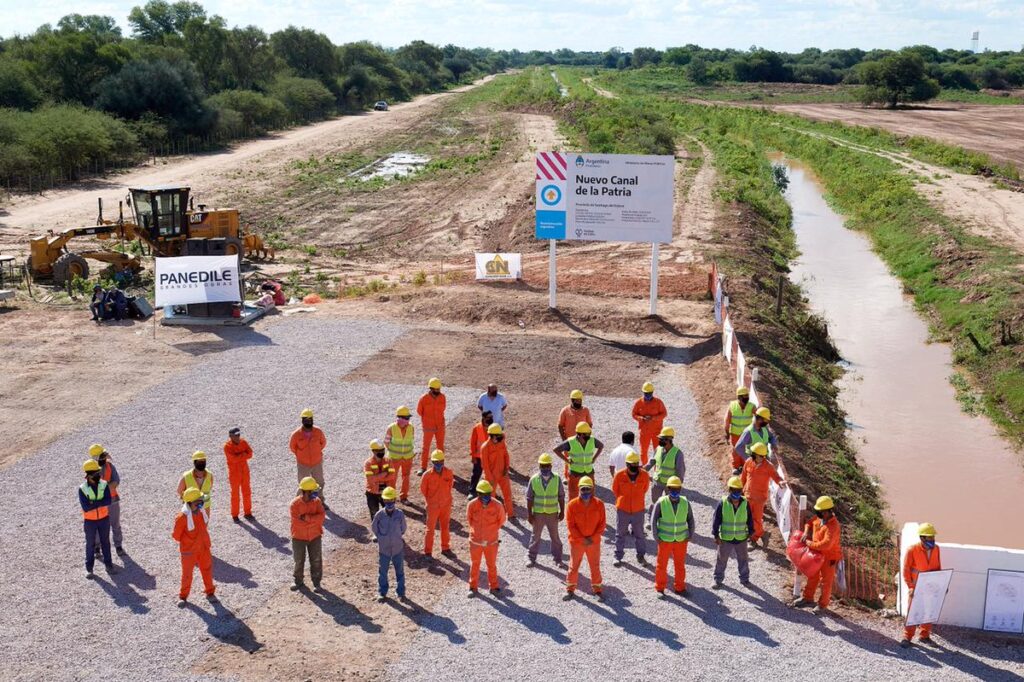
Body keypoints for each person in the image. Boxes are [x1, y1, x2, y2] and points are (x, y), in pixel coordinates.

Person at [792, 495, 842, 614]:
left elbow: (825, 545)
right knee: (812, 576)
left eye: (819, 511)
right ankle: (808, 598)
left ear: (827, 512)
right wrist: (805, 533)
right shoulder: (819, 519)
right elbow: (808, 523)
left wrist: (808, 543)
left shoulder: (833, 527)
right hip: (815, 554)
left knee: (826, 582)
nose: (817, 513)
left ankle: (822, 605)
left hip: (829, 557)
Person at [650, 476, 694, 597]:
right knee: (661, 565)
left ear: (680, 489)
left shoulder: (685, 502)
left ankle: (680, 587)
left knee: (680, 565)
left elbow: (690, 519)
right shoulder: (661, 502)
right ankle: (660, 588)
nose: (675, 491)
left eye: (677, 489)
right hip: (664, 540)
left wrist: (690, 535)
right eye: (672, 489)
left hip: (681, 540)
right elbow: (653, 520)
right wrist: (656, 537)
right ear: (668, 489)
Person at [172, 487, 216, 607]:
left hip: (203, 547)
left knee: (207, 569)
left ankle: (210, 592)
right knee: (187, 573)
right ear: (190, 503)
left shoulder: (201, 512)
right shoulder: (182, 518)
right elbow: (176, 536)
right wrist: (189, 542)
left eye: (202, 500)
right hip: (189, 551)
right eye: (200, 502)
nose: (202, 503)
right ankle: (183, 596)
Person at [564, 477, 606, 601]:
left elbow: (602, 524)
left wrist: (592, 537)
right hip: (577, 542)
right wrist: (582, 539)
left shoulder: (599, 504)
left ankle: (597, 589)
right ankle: (570, 589)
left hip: (593, 542)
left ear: (592, 489)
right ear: (579, 489)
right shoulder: (572, 505)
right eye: (583, 489)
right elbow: (570, 525)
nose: (586, 492)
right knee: (574, 566)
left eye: (588, 489)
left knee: (595, 565)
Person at [901, 522, 942, 648]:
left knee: (929, 611)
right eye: (929, 537)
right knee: (913, 612)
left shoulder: (936, 549)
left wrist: (941, 584)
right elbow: (906, 570)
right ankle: (907, 637)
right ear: (922, 537)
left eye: (933, 537)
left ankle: (924, 635)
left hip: (930, 586)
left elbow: (938, 567)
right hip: (916, 587)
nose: (932, 539)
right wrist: (911, 587)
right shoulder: (912, 550)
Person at [741, 442, 787, 548]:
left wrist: (780, 482)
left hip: (759, 499)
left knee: (756, 519)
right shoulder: (748, 462)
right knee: (747, 518)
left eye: (754, 453)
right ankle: (761, 534)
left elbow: (776, 477)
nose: (751, 454)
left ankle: (754, 538)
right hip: (747, 496)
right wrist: (739, 490)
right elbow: (743, 477)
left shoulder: (768, 466)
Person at [712, 476, 754, 589]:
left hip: (741, 538)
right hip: (726, 538)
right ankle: (718, 579)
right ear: (729, 490)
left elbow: (750, 518)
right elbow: (716, 520)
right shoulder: (723, 503)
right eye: (733, 490)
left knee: (743, 560)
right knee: (721, 559)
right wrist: (716, 535)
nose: (736, 493)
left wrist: (751, 532)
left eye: (738, 491)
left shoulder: (745, 503)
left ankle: (745, 580)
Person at [467, 480, 507, 596]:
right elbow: (469, 520)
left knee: (491, 564)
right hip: (476, 541)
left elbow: (502, 520)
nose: (486, 497)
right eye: (483, 494)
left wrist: (490, 532)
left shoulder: (497, 505)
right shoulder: (472, 505)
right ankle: (473, 587)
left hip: (491, 542)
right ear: (478, 494)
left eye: (488, 494)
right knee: (475, 564)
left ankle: (494, 587)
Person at [526, 453, 565, 568]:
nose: (545, 468)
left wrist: (562, 511)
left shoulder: (557, 479)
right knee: (535, 537)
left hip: (552, 513)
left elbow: (561, 496)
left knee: (555, 538)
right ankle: (531, 558)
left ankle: (558, 559)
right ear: (539, 466)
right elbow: (529, 498)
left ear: (551, 466)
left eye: (547, 466)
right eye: (543, 466)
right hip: (538, 514)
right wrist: (529, 514)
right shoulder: (534, 479)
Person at [80, 459, 117, 578]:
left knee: (105, 542)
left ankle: (109, 565)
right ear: (89, 475)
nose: (98, 474)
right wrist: (99, 502)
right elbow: (86, 507)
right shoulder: (82, 488)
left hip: (103, 519)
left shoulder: (104, 485)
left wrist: (93, 502)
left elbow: (108, 500)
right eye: (96, 473)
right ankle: (89, 569)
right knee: (90, 544)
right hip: (90, 521)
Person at [612, 451, 649, 567]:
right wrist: (624, 500)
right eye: (632, 464)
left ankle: (641, 556)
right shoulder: (619, 475)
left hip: (638, 510)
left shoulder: (644, 475)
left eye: (636, 464)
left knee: (639, 534)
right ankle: (617, 557)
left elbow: (645, 489)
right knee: (620, 534)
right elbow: (615, 490)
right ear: (627, 464)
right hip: (623, 509)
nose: (634, 467)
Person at [88, 443, 125, 556]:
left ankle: (118, 546)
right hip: (99, 504)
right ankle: (97, 548)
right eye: (102, 455)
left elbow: (116, 481)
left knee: (116, 524)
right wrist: (108, 486)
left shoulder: (110, 466)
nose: (105, 457)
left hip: (113, 501)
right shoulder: (91, 470)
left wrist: (103, 488)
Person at [372, 487, 408, 602]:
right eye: (387, 501)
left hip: (397, 548)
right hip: (384, 549)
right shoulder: (379, 515)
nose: (389, 503)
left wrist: (396, 537)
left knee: (400, 572)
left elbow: (403, 528)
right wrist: (382, 538)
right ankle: (382, 593)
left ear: (395, 500)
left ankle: (401, 593)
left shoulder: (400, 514)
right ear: (384, 501)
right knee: (382, 572)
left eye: (391, 500)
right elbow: (374, 528)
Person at [290, 476, 326, 591]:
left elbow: (322, 517)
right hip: (298, 538)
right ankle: (298, 581)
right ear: (306, 492)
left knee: (316, 560)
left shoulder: (317, 502)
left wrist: (306, 518)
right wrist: (313, 520)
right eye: (314, 491)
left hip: (315, 536)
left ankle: (316, 583)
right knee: (299, 561)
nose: (316, 493)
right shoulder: (294, 505)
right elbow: (297, 522)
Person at [554, 422, 604, 500]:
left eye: (589, 433)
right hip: (575, 473)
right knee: (573, 496)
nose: (589, 435)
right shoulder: (570, 442)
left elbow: (601, 446)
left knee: (590, 496)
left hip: (589, 472)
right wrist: (567, 460)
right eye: (587, 434)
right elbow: (556, 450)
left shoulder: (592, 440)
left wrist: (594, 458)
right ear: (580, 434)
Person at [289, 408, 329, 507]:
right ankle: (299, 504)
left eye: (310, 419)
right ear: (302, 420)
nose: (308, 421)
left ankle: (320, 502)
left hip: (317, 462)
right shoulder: (296, 435)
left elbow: (323, 443)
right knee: (303, 485)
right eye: (306, 420)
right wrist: (301, 456)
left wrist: (316, 453)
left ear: (312, 420)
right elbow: (292, 447)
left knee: (319, 483)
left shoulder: (318, 432)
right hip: (303, 464)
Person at [420, 450, 454, 557]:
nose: (438, 464)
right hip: (433, 506)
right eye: (436, 462)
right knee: (430, 529)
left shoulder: (449, 472)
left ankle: (445, 548)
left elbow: (450, 486)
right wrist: (431, 500)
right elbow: (423, 490)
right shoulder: (427, 475)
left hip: (446, 505)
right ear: (432, 462)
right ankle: (428, 552)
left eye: (440, 462)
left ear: (443, 461)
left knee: (445, 527)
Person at [479, 424, 514, 518]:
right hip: (491, 477)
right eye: (497, 435)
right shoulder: (485, 447)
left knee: (508, 495)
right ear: (492, 435)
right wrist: (491, 478)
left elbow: (506, 456)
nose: (500, 436)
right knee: (491, 498)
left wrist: (506, 469)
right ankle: (491, 515)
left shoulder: (502, 442)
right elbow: (485, 466)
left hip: (503, 474)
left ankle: (511, 514)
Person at [384, 405, 416, 503]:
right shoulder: (391, 428)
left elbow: (411, 440)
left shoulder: (411, 427)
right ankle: (391, 497)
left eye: (408, 418)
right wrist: (393, 452)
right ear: (400, 418)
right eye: (406, 418)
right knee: (392, 478)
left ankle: (404, 497)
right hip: (394, 458)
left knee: (406, 477)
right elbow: (386, 442)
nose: (408, 420)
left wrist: (410, 453)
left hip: (407, 457)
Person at [733, 407, 777, 475]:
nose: (767, 422)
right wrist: (749, 460)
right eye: (766, 420)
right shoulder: (748, 432)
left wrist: (774, 444)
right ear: (759, 419)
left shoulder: (764, 428)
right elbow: (738, 447)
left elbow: (771, 437)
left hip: (764, 460)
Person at [631, 382, 667, 465]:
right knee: (643, 452)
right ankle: (644, 469)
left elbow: (664, 414)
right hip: (644, 432)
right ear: (643, 392)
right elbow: (634, 414)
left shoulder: (658, 402)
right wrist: (642, 419)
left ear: (652, 392)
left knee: (658, 451)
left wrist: (653, 418)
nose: (648, 395)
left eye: (649, 393)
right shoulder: (638, 402)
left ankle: (657, 468)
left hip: (657, 432)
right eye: (646, 393)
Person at [647, 427, 685, 504]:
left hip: (670, 484)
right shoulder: (658, 449)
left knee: (670, 503)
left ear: (669, 439)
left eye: (662, 439)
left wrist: (677, 486)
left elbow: (680, 471)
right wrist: (642, 470)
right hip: (657, 481)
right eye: (660, 439)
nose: (660, 441)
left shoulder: (678, 453)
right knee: (655, 502)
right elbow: (651, 462)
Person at [417, 378, 447, 475]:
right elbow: (419, 411)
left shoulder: (442, 397)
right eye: (436, 389)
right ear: (431, 388)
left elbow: (443, 409)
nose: (438, 391)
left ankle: (441, 465)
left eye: (439, 389)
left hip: (440, 426)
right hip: (428, 427)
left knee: (440, 447)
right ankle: (423, 467)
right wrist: (427, 420)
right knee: (426, 448)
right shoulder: (424, 398)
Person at [223, 427, 254, 522]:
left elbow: (250, 454)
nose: (238, 437)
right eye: (236, 435)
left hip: (245, 471)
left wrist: (239, 456)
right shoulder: (227, 446)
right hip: (234, 474)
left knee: (247, 492)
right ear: (231, 436)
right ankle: (235, 515)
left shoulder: (243, 442)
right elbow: (233, 459)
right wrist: (243, 455)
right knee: (235, 494)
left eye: (238, 435)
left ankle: (247, 512)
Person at [364, 440, 396, 527]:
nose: (381, 452)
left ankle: (390, 530)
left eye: (382, 450)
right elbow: (370, 480)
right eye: (379, 451)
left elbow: (392, 476)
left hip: (387, 493)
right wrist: (384, 474)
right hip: (372, 493)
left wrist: (377, 477)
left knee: (390, 512)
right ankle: (376, 531)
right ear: (373, 451)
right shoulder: (368, 463)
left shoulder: (388, 461)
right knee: (374, 513)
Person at [724, 387, 755, 463]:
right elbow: (727, 420)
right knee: (736, 450)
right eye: (744, 396)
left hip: (747, 434)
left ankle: (745, 465)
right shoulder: (732, 406)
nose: (746, 398)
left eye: (747, 396)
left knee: (746, 450)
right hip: (735, 434)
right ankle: (736, 467)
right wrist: (727, 433)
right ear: (739, 397)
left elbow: (758, 417)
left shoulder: (752, 406)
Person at [467, 411, 494, 499]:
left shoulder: (494, 427)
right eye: (488, 417)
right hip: (479, 456)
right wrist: (473, 456)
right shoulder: (477, 428)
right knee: (476, 474)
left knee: (490, 475)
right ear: (483, 417)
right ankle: (472, 491)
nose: (490, 419)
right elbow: (472, 443)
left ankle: (489, 492)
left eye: (491, 417)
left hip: (490, 457)